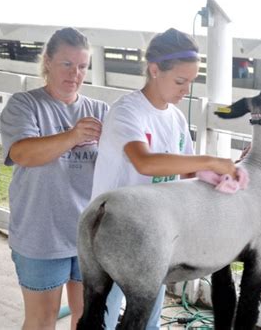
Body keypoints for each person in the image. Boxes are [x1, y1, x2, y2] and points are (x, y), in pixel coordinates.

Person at [90, 28, 237, 329]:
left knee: (147, 320)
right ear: (154, 70)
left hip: (154, 235)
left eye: (191, 82)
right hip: (114, 234)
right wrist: (210, 159)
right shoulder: (126, 111)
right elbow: (144, 161)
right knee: (102, 317)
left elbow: (186, 172)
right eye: (180, 81)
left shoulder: (176, 118)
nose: (186, 90)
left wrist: (222, 176)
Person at [0, 27, 109, 330]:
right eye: (66, 64)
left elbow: (136, 154)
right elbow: (22, 153)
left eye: (82, 66)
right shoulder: (23, 104)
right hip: (40, 233)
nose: (75, 73)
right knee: (41, 319)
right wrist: (73, 136)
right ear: (47, 61)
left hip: (89, 235)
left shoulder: (100, 110)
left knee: (86, 317)